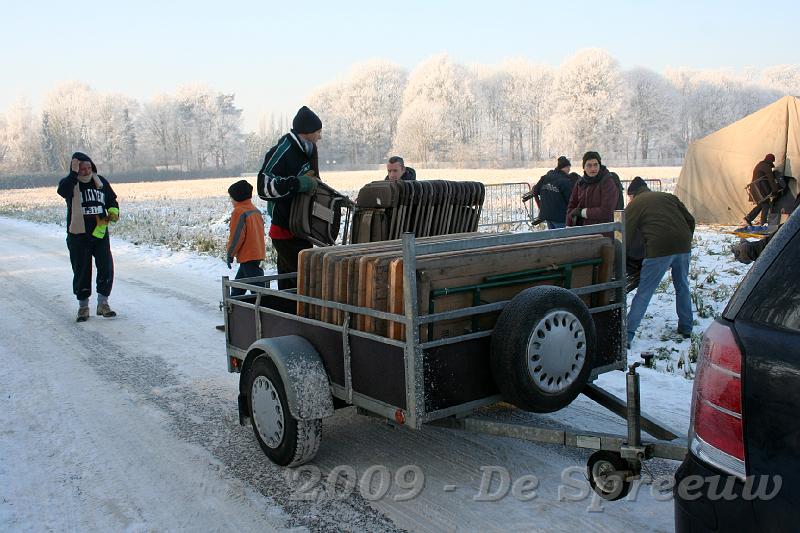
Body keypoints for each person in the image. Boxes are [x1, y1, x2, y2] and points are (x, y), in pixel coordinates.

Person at [624, 177, 696, 348]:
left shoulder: (635, 204)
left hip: (658, 249)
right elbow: (690, 220)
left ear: (632, 194)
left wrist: (621, 258)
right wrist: (683, 240)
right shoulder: (668, 197)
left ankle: (626, 335)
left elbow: (625, 233)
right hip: (683, 245)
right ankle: (686, 327)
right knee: (682, 286)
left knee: (644, 292)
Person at [257, 106, 323, 290]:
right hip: (285, 229)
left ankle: (286, 316)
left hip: (302, 228)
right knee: (305, 281)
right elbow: (264, 186)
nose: (320, 136)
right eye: (318, 132)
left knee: (289, 282)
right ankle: (301, 316)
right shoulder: (283, 151)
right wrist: (297, 183)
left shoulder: (308, 151)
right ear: (307, 131)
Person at [56, 152, 119, 322]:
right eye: (81, 168)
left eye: (88, 167)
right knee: (82, 271)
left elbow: (112, 201)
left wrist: (113, 212)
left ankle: (103, 304)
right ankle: (83, 307)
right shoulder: (70, 183)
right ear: (75, 169)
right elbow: (62, 191)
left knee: (106, 268)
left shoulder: (100, 182)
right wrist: (72, 174)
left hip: (100, 233)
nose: (86, 171)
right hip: (78, 236)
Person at [566, 151, 624, 228]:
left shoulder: (608, 182)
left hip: (603, 232)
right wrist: (569, 224)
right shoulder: (580, 183)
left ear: (600, 165)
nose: (593, 169)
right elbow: (571, 205)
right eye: (589, 165)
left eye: (596, 165)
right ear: (584, 167)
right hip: (582, 231)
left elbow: (606, 211)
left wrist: (582, 212)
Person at [531, 156, 574, 229]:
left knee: (553, 237)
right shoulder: (565, 181)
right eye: (568, 167)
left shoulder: (546, 177)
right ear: (565, 167)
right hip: (560, 218)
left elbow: (535, 191)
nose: (569, 170)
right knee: (562, 239)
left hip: (547, 216)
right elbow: (570, 200)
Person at [744, 153, 776, 226]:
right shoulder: (766, 166)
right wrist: (775, 190)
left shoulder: (760, 164)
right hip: (760, 189)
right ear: (771, 160)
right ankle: (763, 224)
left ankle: (749, 217)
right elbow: (771, 180)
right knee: (766, 205)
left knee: (761, 205)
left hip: (755, 188)